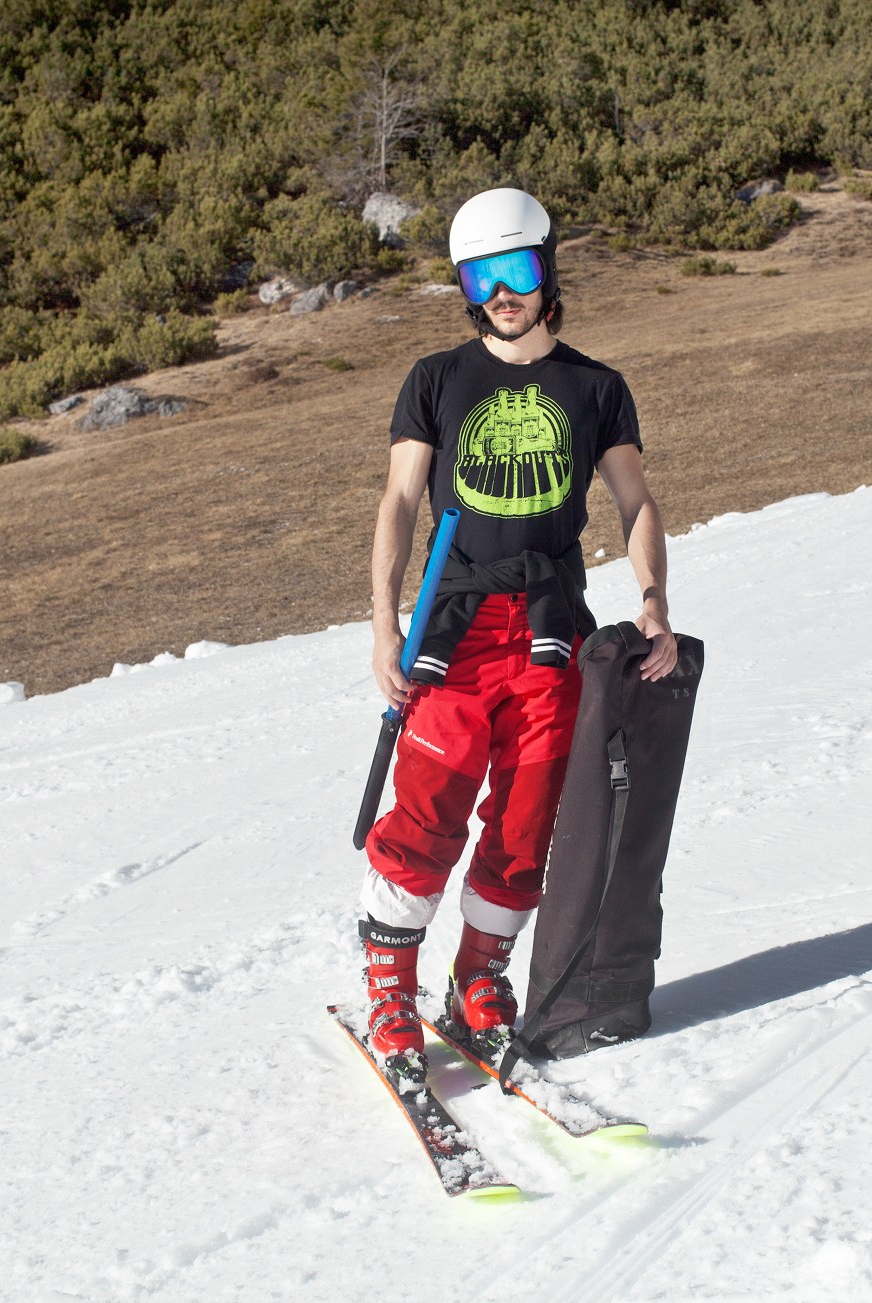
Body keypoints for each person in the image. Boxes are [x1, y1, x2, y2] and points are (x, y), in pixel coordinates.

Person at [359, 186, 677, 1085]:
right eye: (482, 274)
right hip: (451, 629)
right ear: (466, 285)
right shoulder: (436, 378)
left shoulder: (595, 388)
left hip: (549, 629)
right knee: (428, 805)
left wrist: (651, 600)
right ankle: (390, 984)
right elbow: (399, 501)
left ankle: (477, 980)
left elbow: (636, 501)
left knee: (528, 817)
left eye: (519, 269)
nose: (504, 291)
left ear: (548, 269)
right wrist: (384, 626)